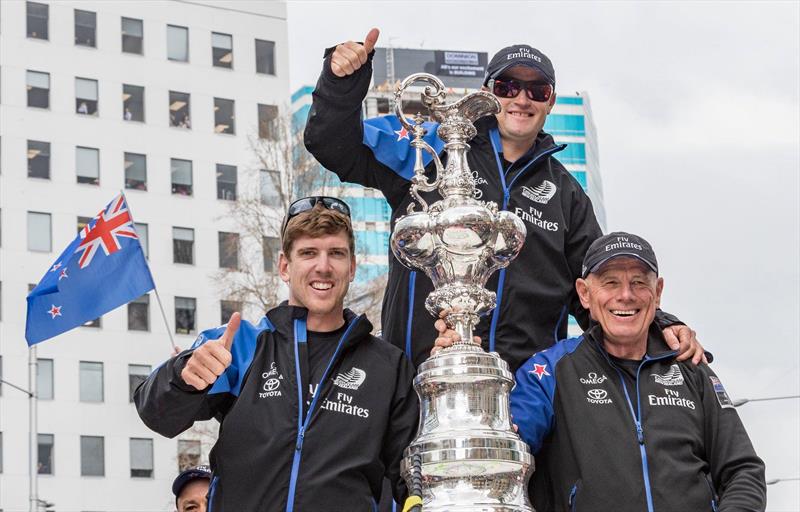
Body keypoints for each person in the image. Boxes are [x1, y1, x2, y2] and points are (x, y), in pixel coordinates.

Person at [304, 29, 702, 373]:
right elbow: (333, 144)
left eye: (537, 90)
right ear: (487, 93)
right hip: (420, 379)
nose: (522, 99)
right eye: (508, 86)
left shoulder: (566, 195)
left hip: (525, 398)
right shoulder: (431, 148)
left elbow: (598, 292)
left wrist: (661, 325)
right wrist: (342, 83)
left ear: (551, 101)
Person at [135, 197, 419, 511]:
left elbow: (410, 476)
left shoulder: (388, 367)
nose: (323, 267)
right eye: (308, 253)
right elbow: (156, 414)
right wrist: (182, 375)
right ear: (285, 266)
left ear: (352, 267)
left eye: (336, 253)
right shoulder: (241, 345)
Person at [504, 232, 766, 511]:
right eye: (610, 283)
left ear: (658, 292)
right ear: (584, 293)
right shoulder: (549, 371)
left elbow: (743, 471)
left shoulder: (691, 367)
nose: (626, 295)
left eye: (639, 282)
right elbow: (507, 453)